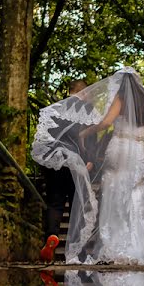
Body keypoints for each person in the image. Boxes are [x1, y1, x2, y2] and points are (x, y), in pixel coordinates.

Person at [31, 67, 144, 265]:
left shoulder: (65, 106)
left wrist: (85, 133)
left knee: (110, 187)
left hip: (106, 152)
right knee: (132, 190)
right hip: (134, 151)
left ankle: (59, 236)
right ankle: (131, 246)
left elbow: (105, 123)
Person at [40, 79, 89, 239]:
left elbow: (43, 136)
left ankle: (51, 235)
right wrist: (89, 159)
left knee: (55, 202)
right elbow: (86, 138)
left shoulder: (54, 108)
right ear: (83, 92)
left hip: (53, 160)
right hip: (74, 160)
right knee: (78, 203)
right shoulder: (84, 110)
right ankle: (77, 244)